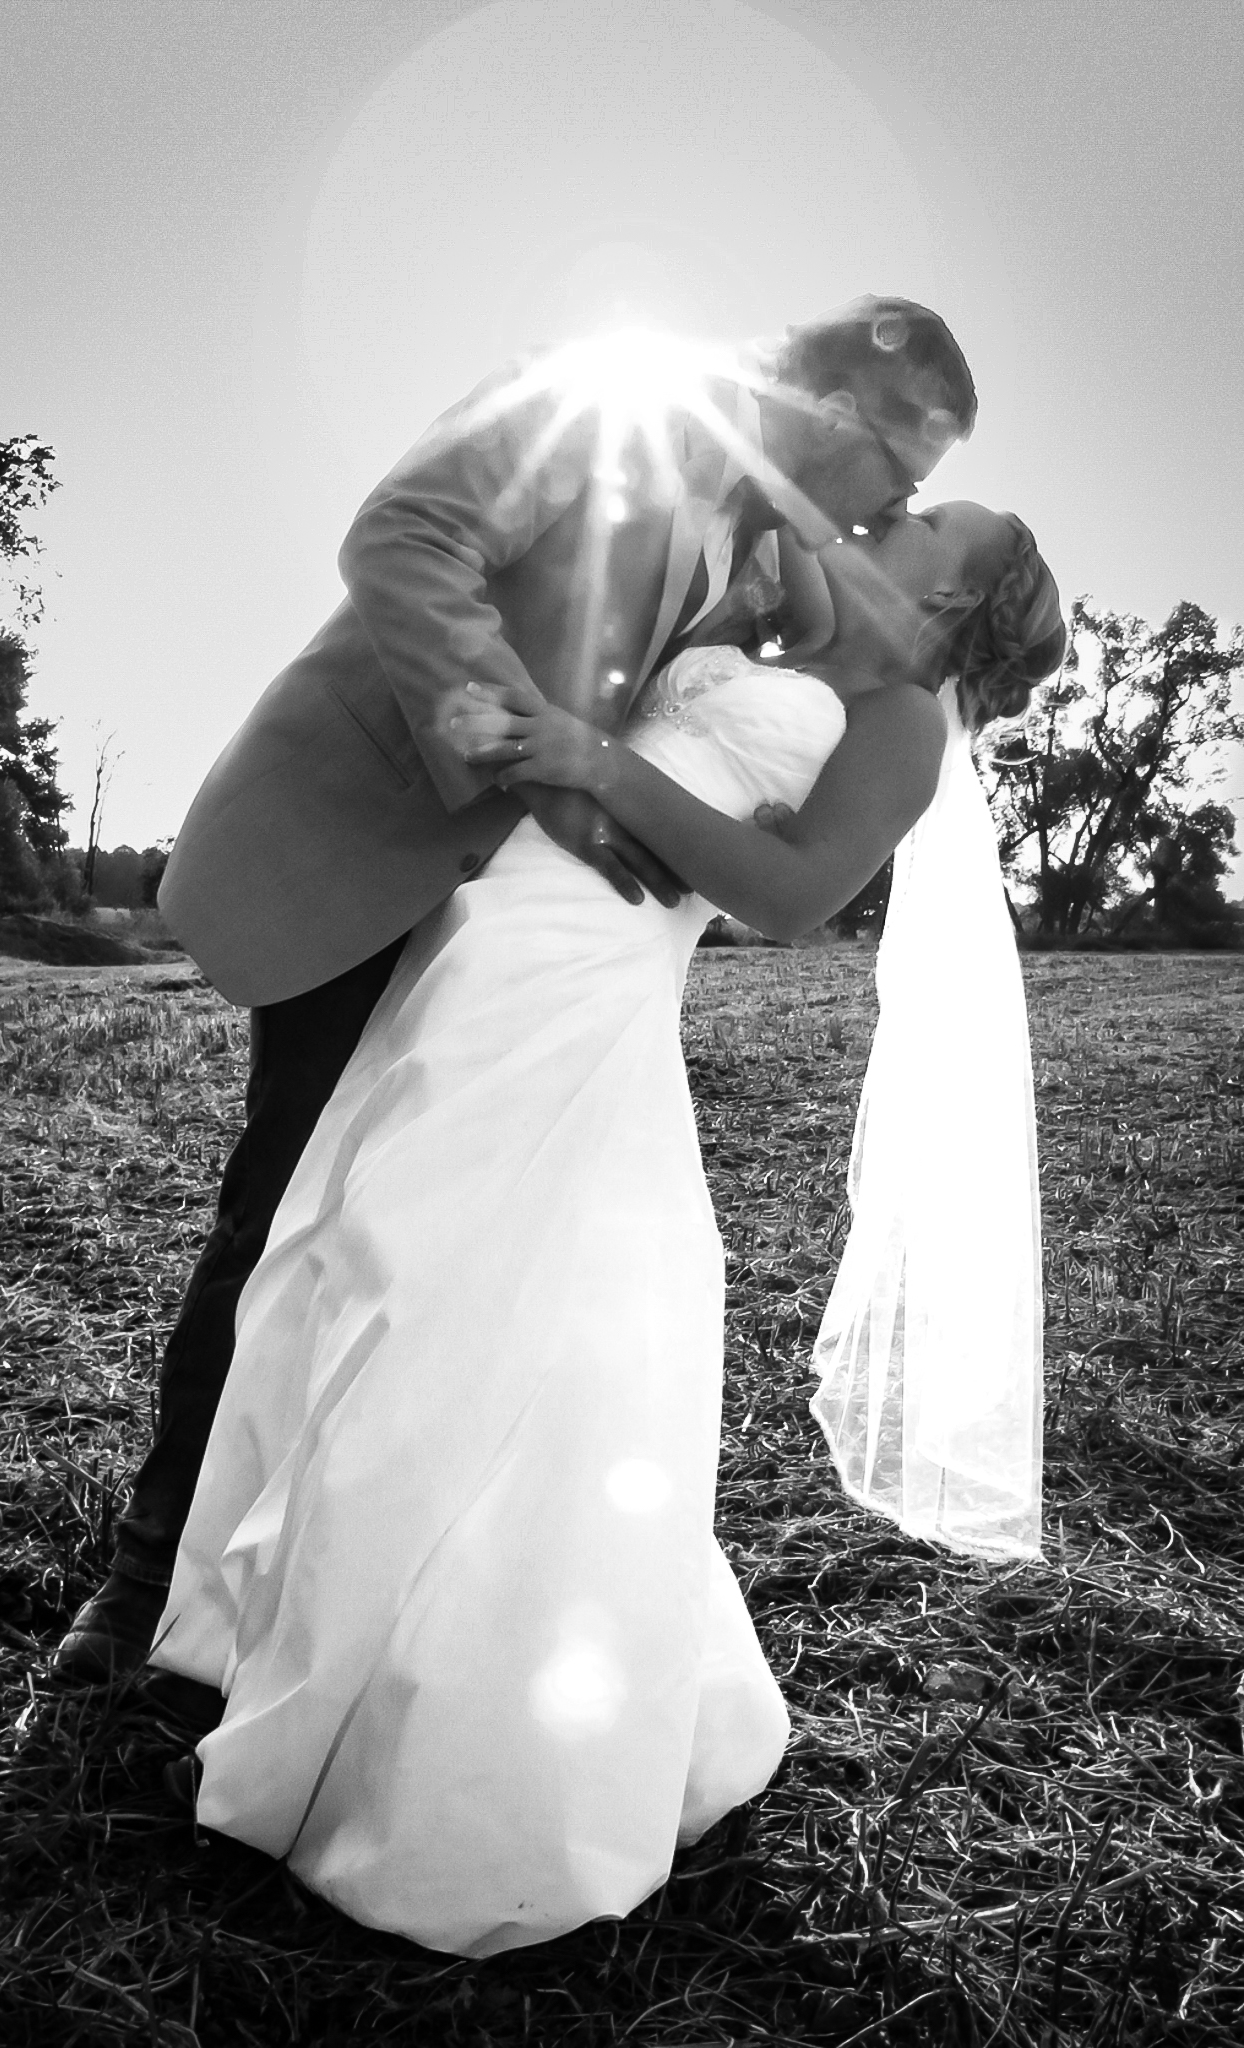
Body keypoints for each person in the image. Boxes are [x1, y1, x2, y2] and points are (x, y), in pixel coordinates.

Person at [144, 497, 1064, 1957]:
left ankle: (449, 1756)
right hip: (468, 964)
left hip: (578, 1003)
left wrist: (598, 765)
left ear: (961, 599)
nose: (899, 509)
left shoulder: (897, 720)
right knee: (357, 1272)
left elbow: (787, 896)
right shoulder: (761, 627)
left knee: (456, 1315)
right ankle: (289, 1653)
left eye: (936, 516)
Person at [55, 296, 980, 1684]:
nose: (901, 501)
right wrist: (539, 759)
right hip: (370, 840)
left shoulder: (780, 550)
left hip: (522, 940)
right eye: (903, 470)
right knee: (285, 1210)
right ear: (839, 413)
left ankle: (344, 1571)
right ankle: (141, 1588)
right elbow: (406, 537)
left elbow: (841, 687)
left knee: (420, 1248)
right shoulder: (605, 396)